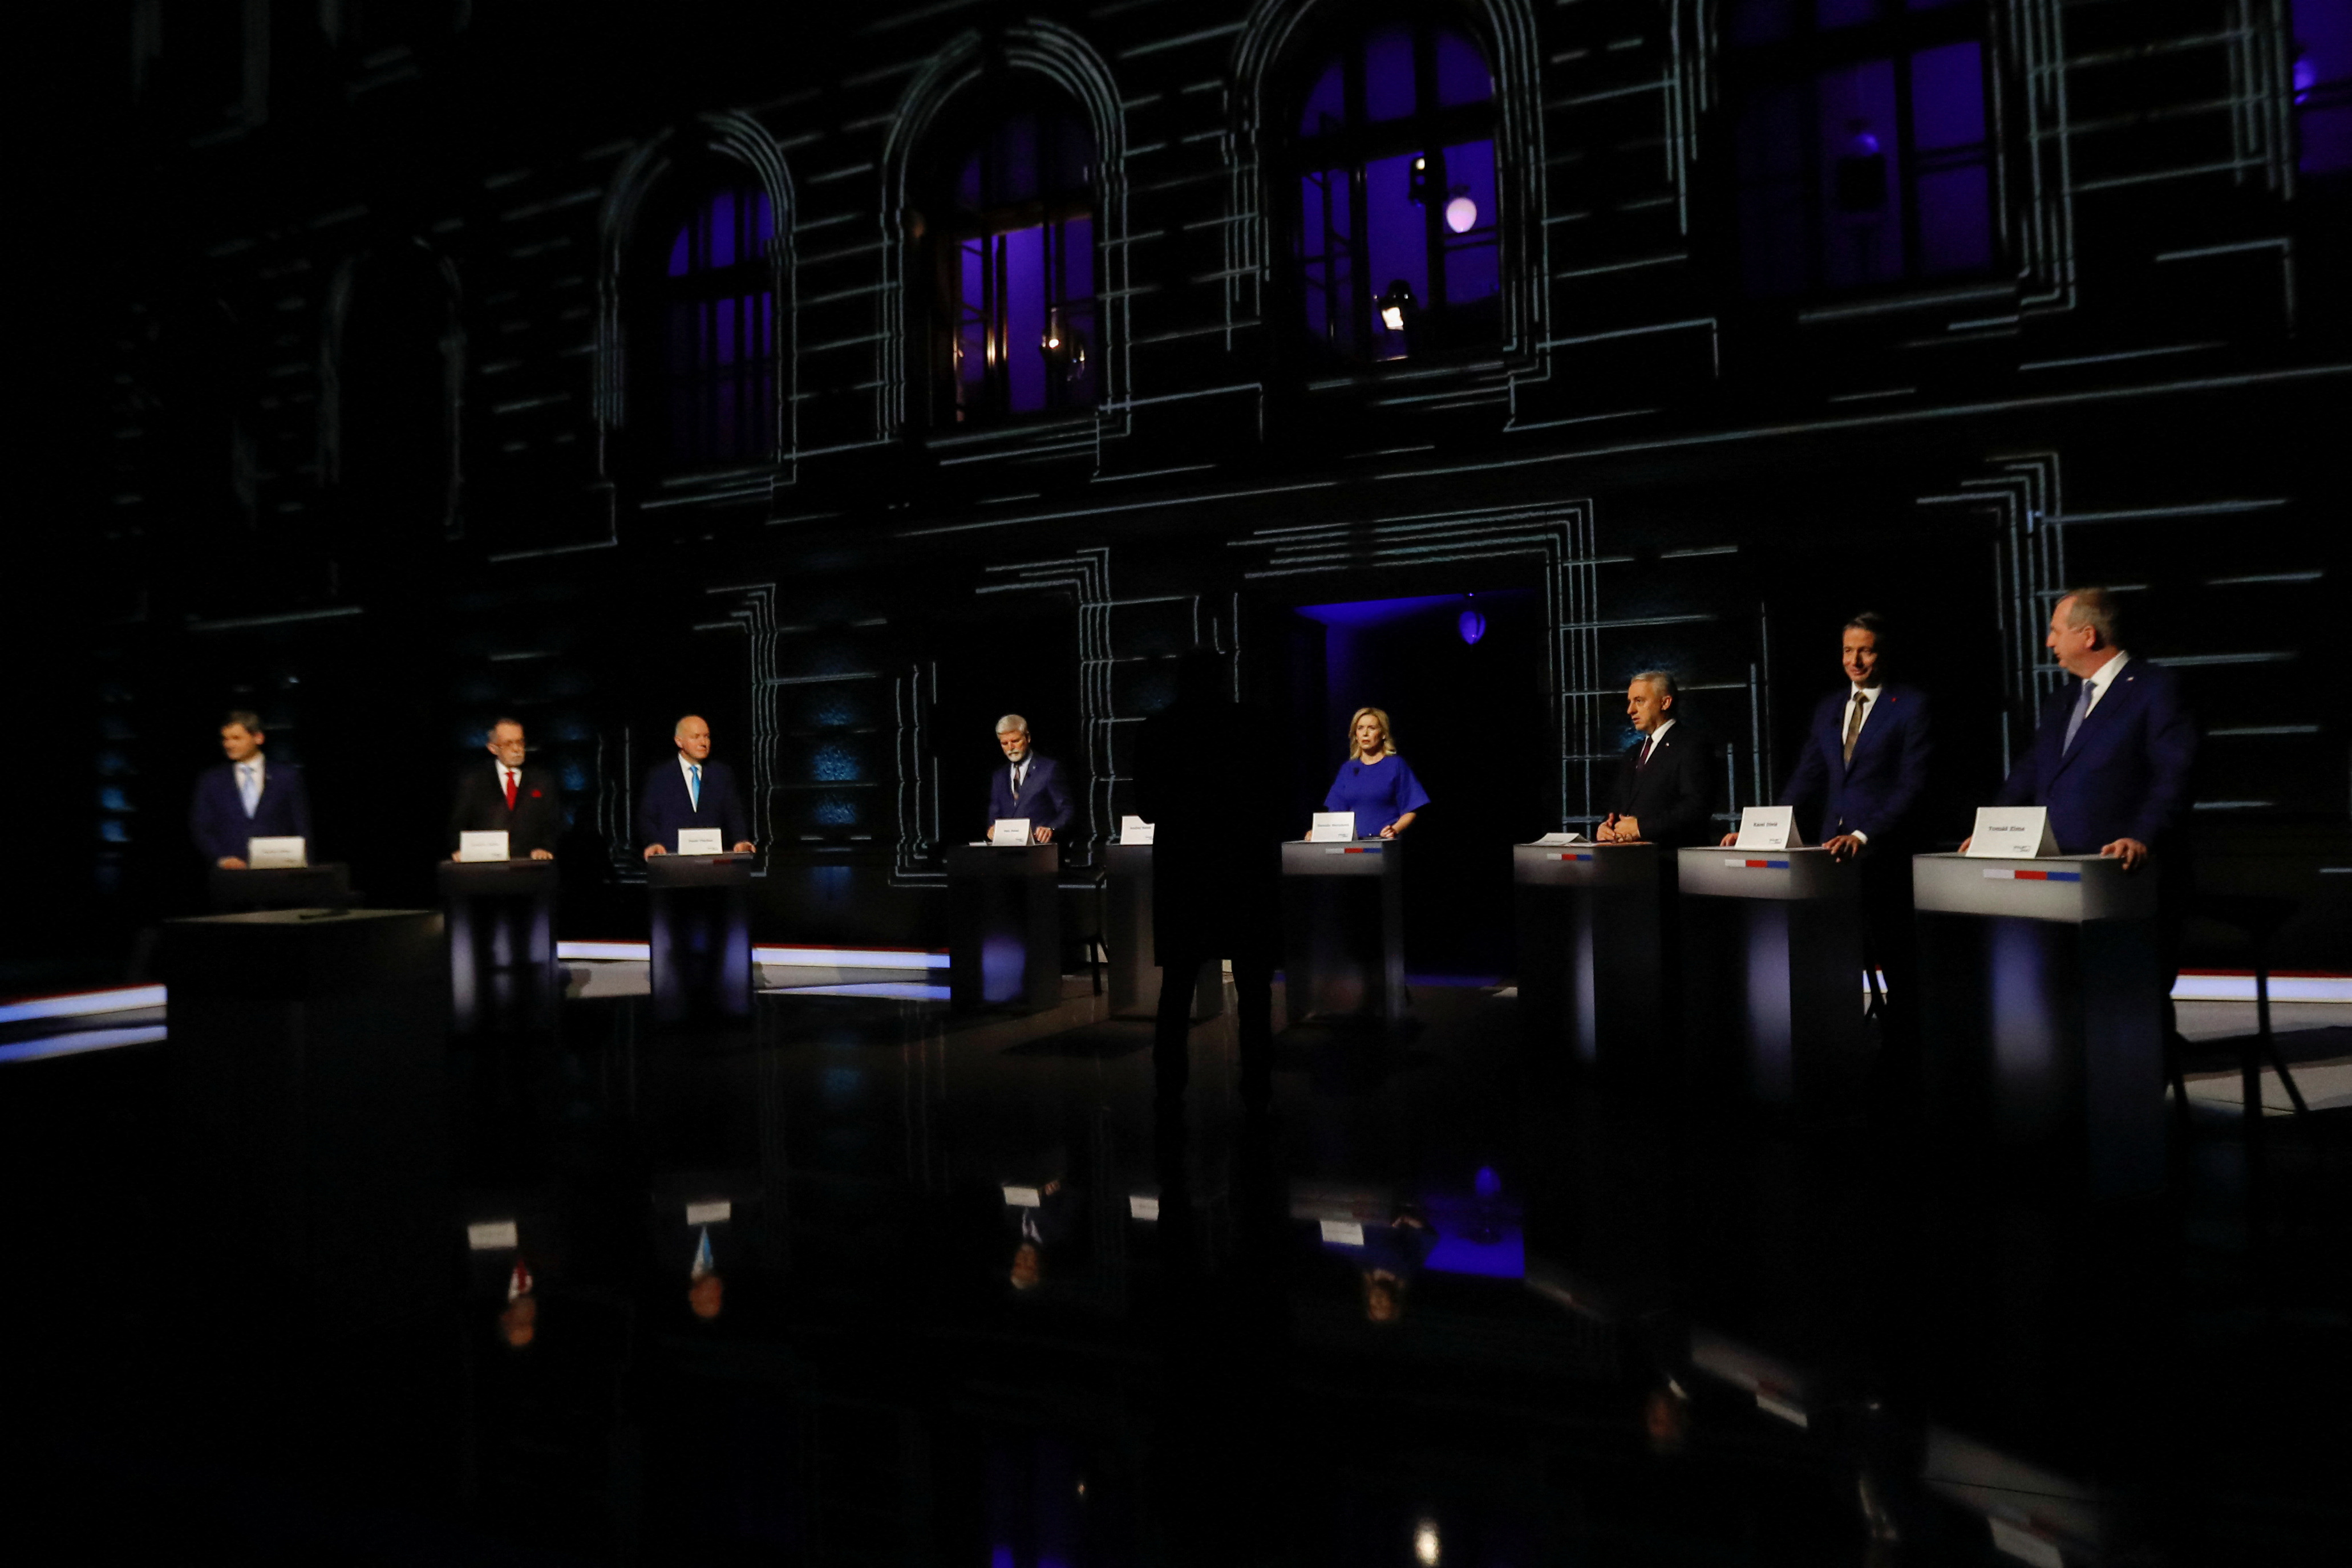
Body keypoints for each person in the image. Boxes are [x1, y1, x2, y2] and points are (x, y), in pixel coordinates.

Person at [1724, 613, 1932, 1039]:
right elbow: (1807, 776)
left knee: (1894, 953)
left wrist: (1862, 834)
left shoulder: (1910, 705)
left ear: (1882, 653)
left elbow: (1912, 784)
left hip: (1882, 853)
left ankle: (1905, 1044)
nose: (1854, 660)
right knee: (1834, 951)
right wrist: (1760, 830)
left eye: (1865, 650)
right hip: (1828, 856)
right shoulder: (1829, 708)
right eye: (1847, 650)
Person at [1135, 650, 1286, 1109]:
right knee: (1253, 983)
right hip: (1243, 865)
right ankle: (1257, 1080)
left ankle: (1169, 1084)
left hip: (1185, 868)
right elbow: (1273, 794)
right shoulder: (1252, 724)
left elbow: (1148, 808)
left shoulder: (1157, 730)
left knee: (1178, 984)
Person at [1967, 588, 2197, 868]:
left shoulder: (2155, 689)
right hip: (2054, 864)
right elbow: (2030, 771)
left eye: (2056, 631)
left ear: (2089, 636)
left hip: (2117, 866)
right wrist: (1990, 832)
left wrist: (2141, 837)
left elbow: (2174, 775)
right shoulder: (2060, 701)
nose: (2050, 642)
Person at [1597, 672, 1712, 846]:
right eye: (1630, 702)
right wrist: (1607, 826)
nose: (1630, 710)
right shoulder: (1632, 753)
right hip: (1626, 862)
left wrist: (1640, 828)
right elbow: (1618, 806)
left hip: (1671, 862)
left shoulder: (1691, 745)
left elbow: (1696, 807)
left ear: (1665, 702)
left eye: (1639, 701)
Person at [188, 709, 313, 869]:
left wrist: (306, 868)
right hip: (230, 875)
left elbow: (301, 824)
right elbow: (201, 826)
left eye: (236, 738)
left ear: (258, 738)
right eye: (225, 739)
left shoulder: (286, 777)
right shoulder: (212, 780)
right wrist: (222, 859)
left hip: (279, 871)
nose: (229, 744)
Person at [638, 715, 754, 859]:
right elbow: (647, 817)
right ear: (679, 742)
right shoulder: (660, 776)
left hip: (714, 862)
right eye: (696, 737)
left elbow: (734, 813)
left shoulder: (722, 774)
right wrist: (653, 843)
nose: (704, 742)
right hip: (673, 861)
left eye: (707, 736)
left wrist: (741, 840)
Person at [448, 716, 561, 860]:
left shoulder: (542, 780)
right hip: (486, 868)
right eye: (508, 743)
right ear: (493, 748)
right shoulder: (474, 781)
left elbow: (553, 822)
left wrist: (545, 848)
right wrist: (459, 849)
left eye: (520, 742)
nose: (517, 749)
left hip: (530, 865)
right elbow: (458, 824)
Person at [1319, 706, 1430, 840]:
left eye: (1372, 728)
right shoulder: (1348, 769)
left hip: (1384, 845)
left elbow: (1411, 809)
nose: (1365, 733)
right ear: (1355, 735)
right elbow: (1336, 812)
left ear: (1383, 734)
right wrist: (1319, 833)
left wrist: (1394, 830)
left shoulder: (1396, 765)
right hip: (1352, 847)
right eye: (1360, 728)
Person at [986, 715, 1074, 843]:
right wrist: (992, 829)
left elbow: (1067, 810)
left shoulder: (1049, 769)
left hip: (1039, 852)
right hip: (1006, 853)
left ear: (1028, 738)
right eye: (1005, 743)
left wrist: (1051, 828)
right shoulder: (999, 776)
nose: (1010, 748)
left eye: (1015, 741)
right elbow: (994, 816)